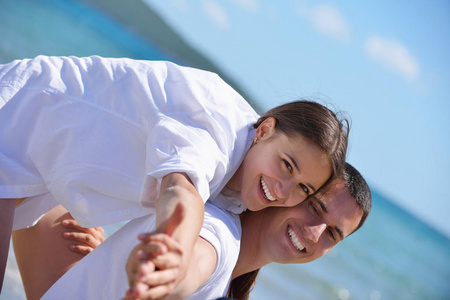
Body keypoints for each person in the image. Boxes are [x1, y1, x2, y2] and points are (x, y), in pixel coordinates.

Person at [0, 55, 348, 294]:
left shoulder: (241, 186)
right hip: (11, 124)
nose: (283, 188)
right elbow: (181, 191)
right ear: (265, 129)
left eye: (302, 188)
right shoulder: (214, 127)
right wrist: (176, 250)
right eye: (287, 165)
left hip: (38, 175)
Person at [17, 162, 370, 300]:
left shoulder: (233, 283)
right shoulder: (217, 233)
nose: (314, 233)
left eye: (333, 234)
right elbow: (196, 262)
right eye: (315, 208)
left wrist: (110, 259)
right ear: (292, 191)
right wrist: (165, 269)